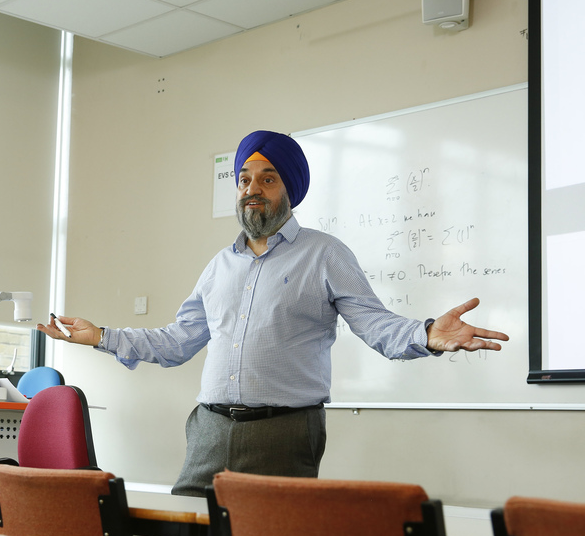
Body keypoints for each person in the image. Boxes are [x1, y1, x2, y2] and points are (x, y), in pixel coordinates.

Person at [38, 130, 509, 498]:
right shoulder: (219, 265)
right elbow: (177, 341)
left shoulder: (325, 254)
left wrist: (426, 333)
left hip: (284, 433)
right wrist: (102, 335)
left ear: (289, 189)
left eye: (267, 178)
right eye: (244, 179)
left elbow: (375, 323)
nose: (252, 189)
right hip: (209, 430)